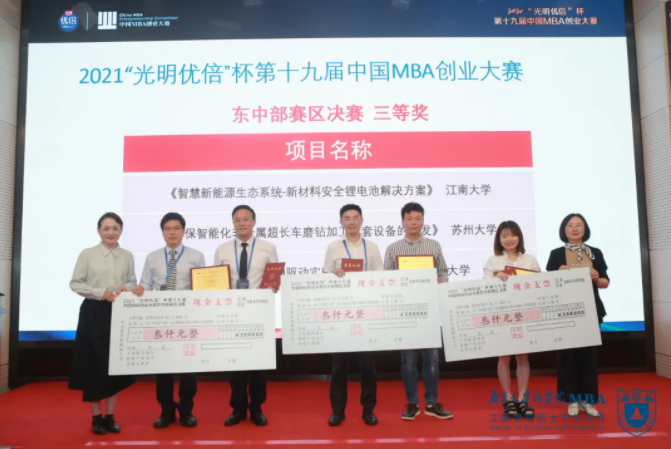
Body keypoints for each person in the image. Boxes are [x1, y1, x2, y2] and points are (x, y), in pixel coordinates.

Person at [131, 212, 205, 429]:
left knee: (188, 368)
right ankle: (166, 411)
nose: (172, 232)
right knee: (163, 368)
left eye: (176, 228)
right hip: (161, 317)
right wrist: (140, 288)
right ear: (162, 232)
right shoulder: (152, 257)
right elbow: (146, 283)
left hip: (187, 318)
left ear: (184, 231)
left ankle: (186, 410)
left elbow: (201, 286)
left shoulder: (196, 256)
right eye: (167, 229)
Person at [383, 202, 452, 421]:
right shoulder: (393, 248)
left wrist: (440, 281)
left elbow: (444, 273)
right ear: (402, 221)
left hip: (430, 310)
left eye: (418, 218)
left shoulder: (433, 245)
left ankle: (431, 402)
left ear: (423, 220)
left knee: (432, 359)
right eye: (409, 218)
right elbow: (386, 279)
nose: (414, 222)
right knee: (408, 360)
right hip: (405, 311)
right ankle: (412, 403)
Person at [69, 212, 137, 435]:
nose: (110, 232)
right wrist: (100, 292)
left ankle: (110, 416)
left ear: (121, 231)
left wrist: (126, 288)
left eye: (115, 228)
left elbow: (132, 281)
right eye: (106, 228)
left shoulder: (127, 256)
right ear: (99, 230)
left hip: (119, 312)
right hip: (93, 312)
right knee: (93, 364)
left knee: (114, 364)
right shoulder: (87, 254)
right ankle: (96, 416)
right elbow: (75, 283)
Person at [214, 205, 279, 427]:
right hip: (232, 313)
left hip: (258, 312)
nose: (241, 223)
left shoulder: (268, 248)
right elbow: (216, 281)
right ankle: (238, 409)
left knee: (258, 365)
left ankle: (257, 409)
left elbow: (274, 278)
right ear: (233, 223)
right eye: (237, 220)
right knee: (236, 364)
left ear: (254, 221)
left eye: (246, 219)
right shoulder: (222, 249)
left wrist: (274, 286)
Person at [323, 204, 384, 427]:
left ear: (362, 221)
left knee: (368, 366)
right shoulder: (333, 247)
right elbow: (324, 275)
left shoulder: (372, 247)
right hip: (341, 313)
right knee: (339, 367)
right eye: (347, 218)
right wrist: (333, 273)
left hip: (366, 311)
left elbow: (380, 275)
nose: (351, 222)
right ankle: (337, 411)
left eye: (355, 218)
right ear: (341, 222)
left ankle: (368, 410)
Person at [546, 213, 609, 417]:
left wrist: (597, 277)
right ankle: (571, 400)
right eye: (570, 225)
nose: (574, 228)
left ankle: (588, 401)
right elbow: (547, 284)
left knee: (589, 357)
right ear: (564, 229)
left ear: (585, 229)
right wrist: (558, 273)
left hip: (591, 310)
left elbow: (605, 283)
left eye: (579, 225)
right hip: (565, 311)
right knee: (567, 357)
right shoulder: (556, 254)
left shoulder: (595, 253)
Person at [483, 221, 540, 419]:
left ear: (519, 237)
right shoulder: (493, 261)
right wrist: (496, 278)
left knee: (523, 357)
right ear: (498, 239)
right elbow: (484, 288)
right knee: (504, 357)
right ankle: (508, 398)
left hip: (524, 314)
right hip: (502, 314)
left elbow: (540, 286)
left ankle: (523, 398)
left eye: (513, 235)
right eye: (504, 236)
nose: (509, 239)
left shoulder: (530, 260)